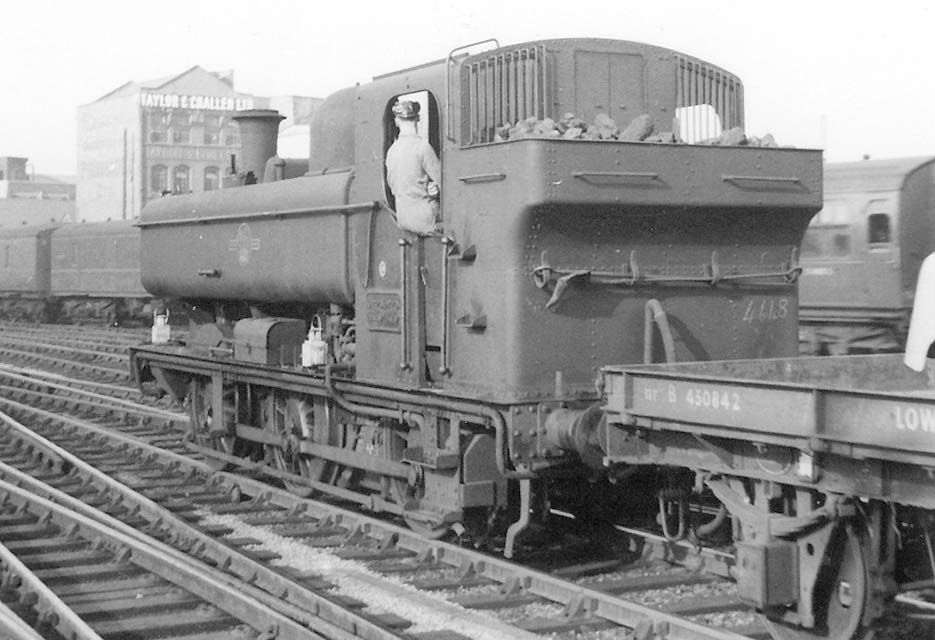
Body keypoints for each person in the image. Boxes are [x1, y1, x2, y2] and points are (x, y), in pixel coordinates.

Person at [385, 100, 441, 235]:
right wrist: (434, 190)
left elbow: (393, 188)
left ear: (397, 121)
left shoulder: (391, 151)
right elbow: (444, 183)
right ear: (418, 119)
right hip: (426, 221)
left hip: (403, 219)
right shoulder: (422, 147)